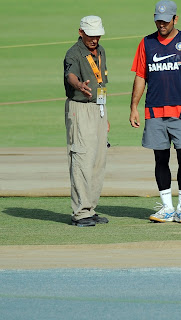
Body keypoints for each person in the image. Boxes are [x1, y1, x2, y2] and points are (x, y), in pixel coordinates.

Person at [129, 1, 181, 223]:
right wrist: (133, 107)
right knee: (160, 159)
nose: (161, 24)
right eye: (158, 20)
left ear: (175, 19)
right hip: (154, 111)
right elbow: (140, 76)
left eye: (165, 21)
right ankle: (167, 208)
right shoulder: (146, 43)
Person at [64, 16, 110, 227]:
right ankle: (80, 213)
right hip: (80, 108)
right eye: (91, 35)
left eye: (97, 34)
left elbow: (102, 82)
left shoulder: (101, 51)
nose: (95, 39)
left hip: (98, 108)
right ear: (81, 32)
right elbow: (70, 75)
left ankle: (90, 208)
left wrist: (104, 114)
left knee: (98, 160)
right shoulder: (73, 53)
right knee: (82, 158)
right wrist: (79, 85)